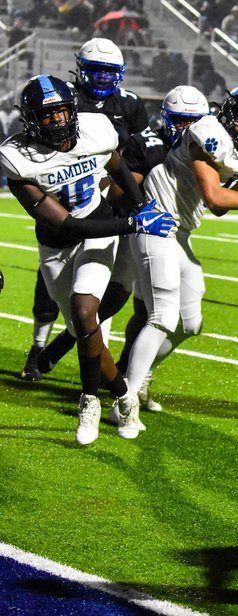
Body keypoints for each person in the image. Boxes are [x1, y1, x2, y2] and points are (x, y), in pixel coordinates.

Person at [0, 75, 176, 444]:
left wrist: (141, 205)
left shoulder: (96, 129)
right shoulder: (17, 158)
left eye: (62, 111)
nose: (57, 120)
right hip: (57, 245)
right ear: (30, 120)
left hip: (100, 228)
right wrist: (133, 223)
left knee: (84, 313)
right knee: (85, 330)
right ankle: (124, 396)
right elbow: (64, 223)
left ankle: (90, 401)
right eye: (47, 115)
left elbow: (117, 166)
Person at [122, 84, 238, 435]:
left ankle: (140, 377)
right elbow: (216, 198)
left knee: (190, 323)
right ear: (229, 111)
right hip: (156, 224)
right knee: (162, 317)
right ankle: (123, 401)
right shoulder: (207, 130)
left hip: (179, 235)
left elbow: (237, 202)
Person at [28, 86, 212, 408]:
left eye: (194, 122)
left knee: (162, 314)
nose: (187, 130)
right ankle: (124, 385)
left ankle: (93, 356)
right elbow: (118, 188)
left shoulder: (206, 150)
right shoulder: (149, 145)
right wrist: (136, 213)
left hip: (173, 233)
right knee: (124, 302)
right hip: (135, 230)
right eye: (181, 121)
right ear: (166, 119)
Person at [20, 37, 150, 382]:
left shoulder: (130, 104)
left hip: (112, 196)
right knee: (50, 280)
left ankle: (93, 371)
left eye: (110, 72)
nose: (103, 78)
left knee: (103, 283)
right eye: (96, 70)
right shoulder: (64, 98)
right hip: (65, 196)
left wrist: (132, 194)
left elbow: (140, 152)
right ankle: (39, 346)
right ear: (80, 69)